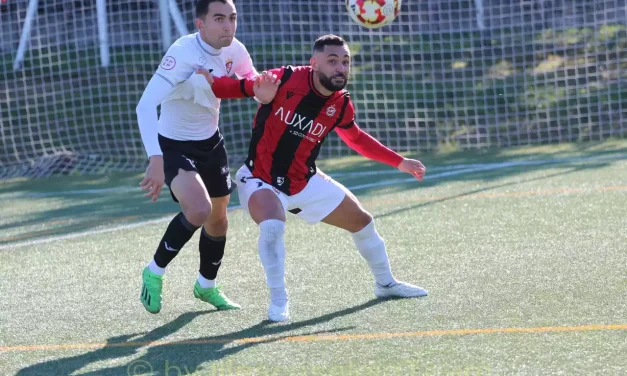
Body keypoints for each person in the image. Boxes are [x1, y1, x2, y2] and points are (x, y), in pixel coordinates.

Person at [201, 34, 428, 322]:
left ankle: (386, 284)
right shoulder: (284, 78)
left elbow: (355, 138)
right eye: (332, 61)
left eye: (345, 62)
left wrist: (400, 162)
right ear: (313, 63)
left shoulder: (341, 103)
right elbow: (237, 88)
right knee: (272, 227)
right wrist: (210, 80)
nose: (340, 68)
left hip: (304, 182)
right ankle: (279, 302)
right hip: (260, 179)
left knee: (363, 223)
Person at [134, 0, 279, 314]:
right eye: (219, 19)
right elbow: (145, 106)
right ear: (200, 24)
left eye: (232, 18)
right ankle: (154, 272)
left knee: (218, 220)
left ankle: (206, 285)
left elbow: (252, 84)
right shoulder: (183, 53)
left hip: (210, 143)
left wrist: (264, 90)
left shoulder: (235, 50)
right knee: (199, 209)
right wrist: (155, 158)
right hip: (172, 145)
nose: (228, 25)